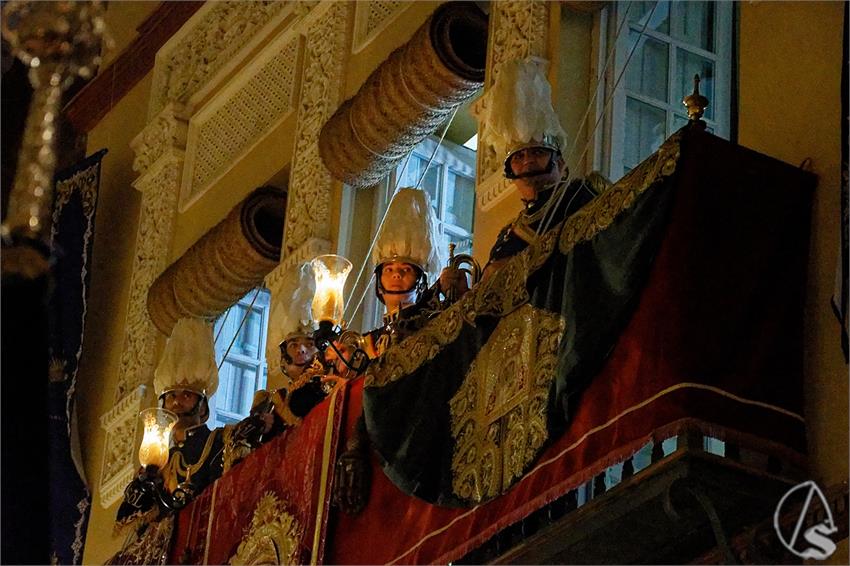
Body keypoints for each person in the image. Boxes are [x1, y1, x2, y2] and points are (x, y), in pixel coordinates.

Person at [440, 57, 608, 296]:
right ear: (510, 171)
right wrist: (463, 294)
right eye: (519, 157)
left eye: (538, 152)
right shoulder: (508, 235)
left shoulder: (581, 195)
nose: (528, 160)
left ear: (560, 164)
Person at [333, 187, 445, 514]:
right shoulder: (367, 339)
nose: (396, 273)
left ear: (420, 278)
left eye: (405, 269)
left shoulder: (431, 322)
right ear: (380, 279)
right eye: (389, 269)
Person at [116, 318, 271, 526]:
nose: (177, 401)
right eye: (171, 397)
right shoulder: (161, 463)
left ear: (203, 406)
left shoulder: (219, 440)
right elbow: (127, 520)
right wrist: (142, 486)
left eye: (187, 395)